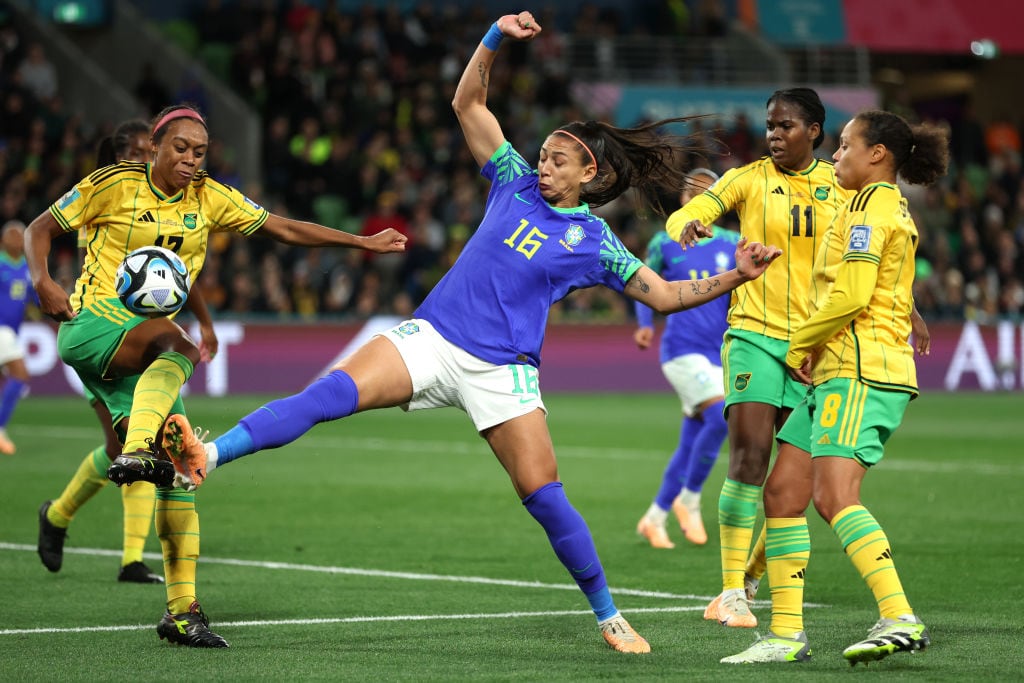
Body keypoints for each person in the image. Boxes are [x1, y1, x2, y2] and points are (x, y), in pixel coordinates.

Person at [144, 14, 781, 655]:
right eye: (543, 154)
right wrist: (495, 36)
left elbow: (666, 294)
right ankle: (208, 457)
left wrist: (737, 273)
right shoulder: (512, 182)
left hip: (503, 372)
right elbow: (467, 101)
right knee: (327, 395)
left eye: (557, 160)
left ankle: (609, 615)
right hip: (432, 338)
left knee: (545, 498)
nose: (543, 164)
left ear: (588, 173)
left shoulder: (594, 242)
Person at [25, 103, 407, 648]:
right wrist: (42, 280)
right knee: (174, 346)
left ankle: (181, 613)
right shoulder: (113, 183)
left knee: (181, 470)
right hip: (92, 327)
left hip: (144, 354)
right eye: (179, 148)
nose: (189, 159)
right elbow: (41, 227)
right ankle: (136, 450)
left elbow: (283, 228)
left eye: (199, 151)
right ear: (155, 147)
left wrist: (360, 242)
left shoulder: (209, 197)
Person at [721, 110, 948, 665]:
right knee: (781, 494)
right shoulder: (862, 204)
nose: (836, 156)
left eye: (846, 146)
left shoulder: (874, 206)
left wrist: (800, 346)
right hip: (838, 369)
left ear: (878, 156)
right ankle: (785, 636)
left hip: (862, 370)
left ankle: (899, 616)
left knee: (833, 497)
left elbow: (851, 294)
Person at [666, 88, 856, 628]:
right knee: (750, 458)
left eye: (786, 126)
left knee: (797, 485)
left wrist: (904, 302)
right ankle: (729, 592)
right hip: (753, 334)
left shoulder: (841, 188)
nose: (774, 134)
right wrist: (688, 223)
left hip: (816, 348)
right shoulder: (747, 178)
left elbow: (867, 254)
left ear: (815, 132)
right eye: (771, 126)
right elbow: (698, 206)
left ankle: (750, 576)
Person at [36, 119, 218, 584]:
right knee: (125, 444)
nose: (140, 161)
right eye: (133, 153)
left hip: (144, 327)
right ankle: (63, 519)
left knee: (137, 445)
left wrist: (204, 320)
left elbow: (173, 275)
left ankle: (124, 555)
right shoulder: (106, 201)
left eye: (144, 152)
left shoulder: (166, 204)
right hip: (103, 331)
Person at [633, 168, 733, 549]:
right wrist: (645, 323)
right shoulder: (666, 241)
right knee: (722, 414)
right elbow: (643, 281)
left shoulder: (734, 243)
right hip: (681, 351)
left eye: (711, 194)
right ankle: (689, 499)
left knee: (691, 440)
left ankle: (655, 517)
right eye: (696, 193)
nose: (702, 200)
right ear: (683, 199)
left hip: (717, 354)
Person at [0, 220, 37, 455]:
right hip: (0, 329)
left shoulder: (27, 266)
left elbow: (36, 297)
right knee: (20, 374)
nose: (18, 239)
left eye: (22, 236)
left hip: (11, 331)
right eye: (14, 235)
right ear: (4, 239)